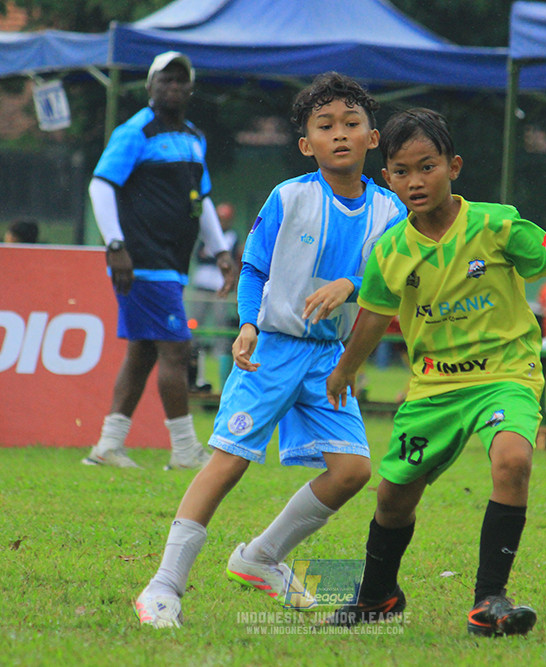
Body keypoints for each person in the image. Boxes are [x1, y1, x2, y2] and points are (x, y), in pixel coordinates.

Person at [323, 108, 546, 637]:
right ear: (386, 177)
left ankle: (489, 600)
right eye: (402, 171)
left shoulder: (498, 225)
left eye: (426, 167)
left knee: (513, 458)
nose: (415, 181)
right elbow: (374, 317)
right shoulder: (389, 251)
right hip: (433, 386)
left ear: (453, 166)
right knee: (393, 495)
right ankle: (377, 595)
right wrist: (345, 370)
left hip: (506, 373)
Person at [133, 72, 407, 629]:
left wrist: (350, 285)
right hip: (273, 349)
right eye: (325, 126)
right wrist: (249, 324)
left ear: (372, 138)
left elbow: (394, 278)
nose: (340, 135)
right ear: (306, 144)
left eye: (352, 124)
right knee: (229, 461)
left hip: (331, 358)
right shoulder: (289, 196)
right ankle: (162, 587)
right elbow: (254, 265)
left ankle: (260, 556)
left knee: (353, 471)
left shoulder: (391, 211)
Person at [81, 51, 236, 470]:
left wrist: (221, 250)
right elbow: (101, 185)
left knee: (143, 353)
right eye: (165, 80)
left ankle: (108, 445)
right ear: (149, 87)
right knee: (176, 348)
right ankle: (185, 450)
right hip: (142, 259)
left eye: (181, 80)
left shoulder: (193, 135)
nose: (174, 86)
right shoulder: (135, 131)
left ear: (190, 88)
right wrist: (115, 245)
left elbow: (200, 199)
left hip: (172, 260)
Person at [189, 201, 242, 391]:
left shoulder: (232, 236)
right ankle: (195, 355)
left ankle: (221, 356)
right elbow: (199, 256)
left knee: (221, 324)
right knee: (196, 323)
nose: (222, 222)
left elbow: (225, 256)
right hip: (203, 283)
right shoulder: (207, 234)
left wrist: (214, 255)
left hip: (220, 286)